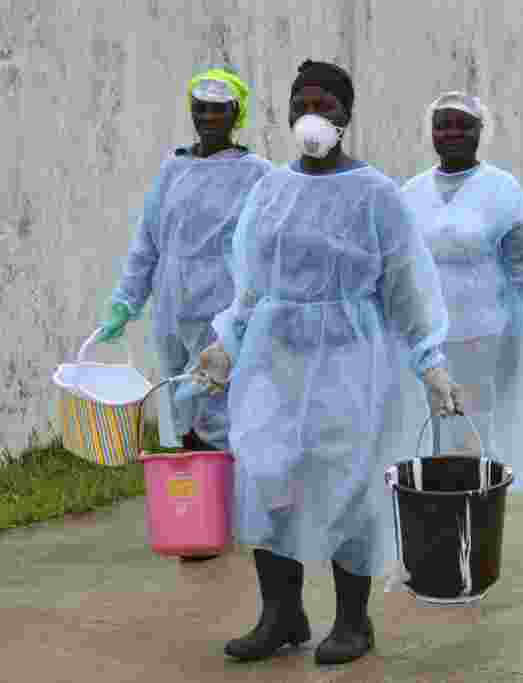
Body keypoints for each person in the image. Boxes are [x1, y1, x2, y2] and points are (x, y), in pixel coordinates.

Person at [193, 60, 463, 667]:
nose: (312, 116)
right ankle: (281, 614)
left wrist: (429, 358)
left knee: (347, 486)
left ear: (346, 115)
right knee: (268, 475)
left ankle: (352, 621)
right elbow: (251, 284)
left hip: (349, 359)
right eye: (301, 103)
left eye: (326, 105)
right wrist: (225, 342)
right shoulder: (271, 190)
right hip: (275, 354)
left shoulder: (376, 195)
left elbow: (406, 285)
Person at [98, 68, 272, 557]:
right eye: (201, 108)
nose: (208, 118)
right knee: (184, 409)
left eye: (219, 109)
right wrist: (125, 301)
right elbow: (147, 243)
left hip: (223, 313)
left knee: (222, 408)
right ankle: (200, 519)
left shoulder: (257, 174)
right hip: (173, 311)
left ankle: (231, 519)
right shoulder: (172, 170)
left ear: (237, 114)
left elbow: (270, 244)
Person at [402, 91, 523, 493]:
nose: (452, 132)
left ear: (481, 131)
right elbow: (397, 269)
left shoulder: (502, 191)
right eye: (443, 124)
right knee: (430, 436)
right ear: (431, 132)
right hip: (428, 343)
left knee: (481, 431)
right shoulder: (410, 193)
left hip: (487, 339)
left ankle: (481, 509)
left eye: (463, 124)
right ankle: (435, 508)